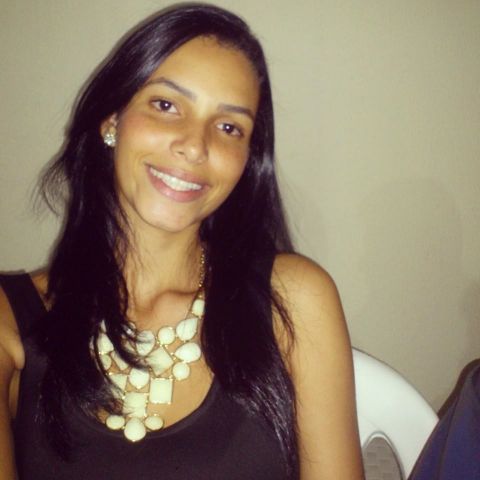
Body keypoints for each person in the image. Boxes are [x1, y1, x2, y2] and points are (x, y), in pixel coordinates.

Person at [0, 4, 364, 479]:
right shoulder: (12, 317)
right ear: (111, 119)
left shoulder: (293, 298)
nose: (195, 145)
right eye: (166, 105)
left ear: (247, 159)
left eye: (229, 127)